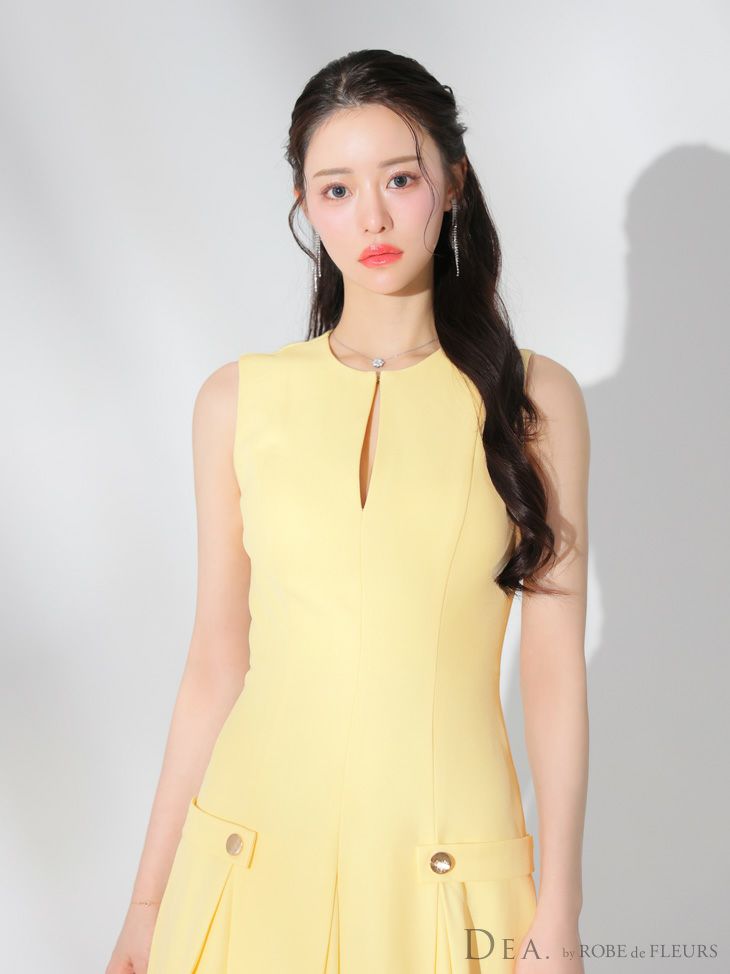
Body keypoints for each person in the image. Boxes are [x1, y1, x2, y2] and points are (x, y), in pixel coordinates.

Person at [106, 49, 589, 974]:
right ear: (305, 205)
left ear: (452, 183)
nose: (370, 218)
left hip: (443, 873)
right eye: (336, 189)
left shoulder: (533, 400)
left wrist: (560, 906)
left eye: (399, 179)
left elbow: (554, 670)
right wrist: (147, 903)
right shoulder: (237, 401)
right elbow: (215, 663)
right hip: (248, 863)